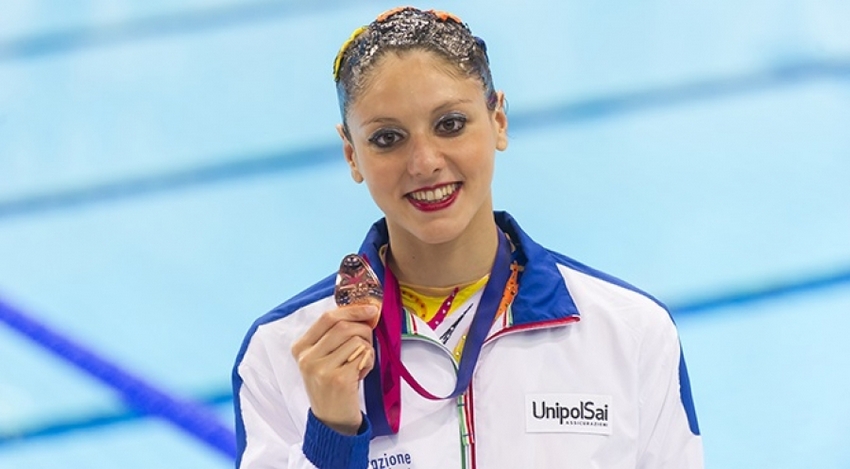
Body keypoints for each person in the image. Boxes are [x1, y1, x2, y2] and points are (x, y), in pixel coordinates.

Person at [232, 7, 704, 469]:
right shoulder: (282, 354)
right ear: (352, 154)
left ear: (498, 120)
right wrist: (331, 437)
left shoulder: (629, 332)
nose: (424, 162)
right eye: (388, 138)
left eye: (450, 125)